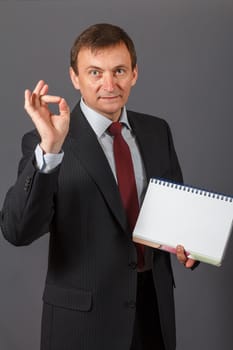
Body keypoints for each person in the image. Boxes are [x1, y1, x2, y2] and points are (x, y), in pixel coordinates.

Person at [0, 23, 196, 350]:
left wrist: (192, 246)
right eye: (94, 72)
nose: (109, 84)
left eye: (119, 70)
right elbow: (17, 231)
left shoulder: (157, 130)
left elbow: (177, 211)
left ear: (134, 73)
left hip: (153, 315)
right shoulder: (46, 140)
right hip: (83, 324)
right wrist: (50, 150)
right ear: (75, 78)